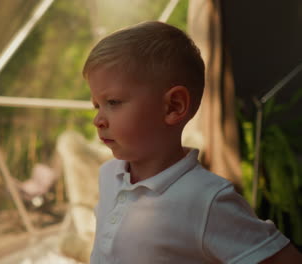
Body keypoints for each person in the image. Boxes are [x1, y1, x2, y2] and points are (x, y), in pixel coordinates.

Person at [83, 21, 302, 263]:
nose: (98, 120)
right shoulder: (109, 175)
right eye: (97, 105)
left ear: (173, 106)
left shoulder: (207, 200)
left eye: (112, 102)